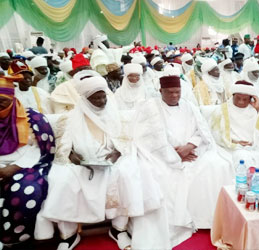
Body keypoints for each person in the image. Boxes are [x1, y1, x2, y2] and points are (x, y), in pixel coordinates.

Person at [36, 73, 169, 250]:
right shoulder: (69, 118)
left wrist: (117, 153)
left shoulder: (116, 114)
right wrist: (71, 155)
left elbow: (127, 140)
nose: (101, 101)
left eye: (103, 96)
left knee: (128, 173)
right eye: (95, 97)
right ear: (85, 98)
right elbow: (63, 146)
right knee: (63, 180)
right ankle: (68, 235)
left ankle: (118, 229)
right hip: (81, 163)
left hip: (112, 160)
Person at [132, 75, 233, 238]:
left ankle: (207, 220)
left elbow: (202, 131)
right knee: (162, 175)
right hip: (162, 156)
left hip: (193, 152)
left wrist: (190, 146)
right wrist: (174, 155)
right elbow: (148, 138)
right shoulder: (151, 108)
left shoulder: (189, 106)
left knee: (218, 166)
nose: (174, 96)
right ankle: (179, 220)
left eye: (177, 92)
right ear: (161, 91)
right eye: (170, 92)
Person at [0, 75, 55, 246]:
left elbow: (40, 148)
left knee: (27, 190)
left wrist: (13, 168)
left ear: (12, 97)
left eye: (3, 100)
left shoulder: (32, 117)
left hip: (28, 164)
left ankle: (14, 237)